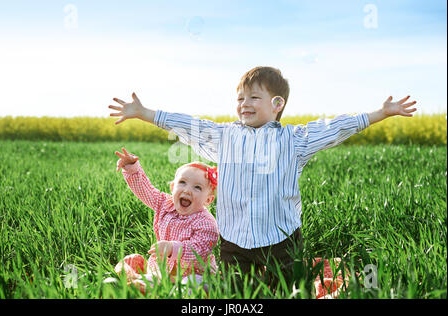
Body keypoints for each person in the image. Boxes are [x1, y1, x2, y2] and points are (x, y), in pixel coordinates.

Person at [108, 66, 417, 291]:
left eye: (254, 97)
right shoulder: (224, 136)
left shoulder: (294, 139)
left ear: (277, 104)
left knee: (284, 290)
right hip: (234, 242)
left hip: (281, 239)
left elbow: (336, 127)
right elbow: (189, 125)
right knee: (239, 296)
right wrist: (145, 112)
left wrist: (381, 113)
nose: (244, 103)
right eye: (240, 98)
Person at [111, 147, 219, 294]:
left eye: (197, 187)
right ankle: (143, 284)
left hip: (194, 273)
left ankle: (177, 293)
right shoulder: (165, 204)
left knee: (192, 284)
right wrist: (132, 168)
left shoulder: (206, 223)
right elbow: (146, 190)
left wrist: (172, 248)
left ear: (208, 199)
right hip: (162, 270)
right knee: (131, 263)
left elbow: (199, 251)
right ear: (173, 187)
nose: (187, 190)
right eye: (182, 183)